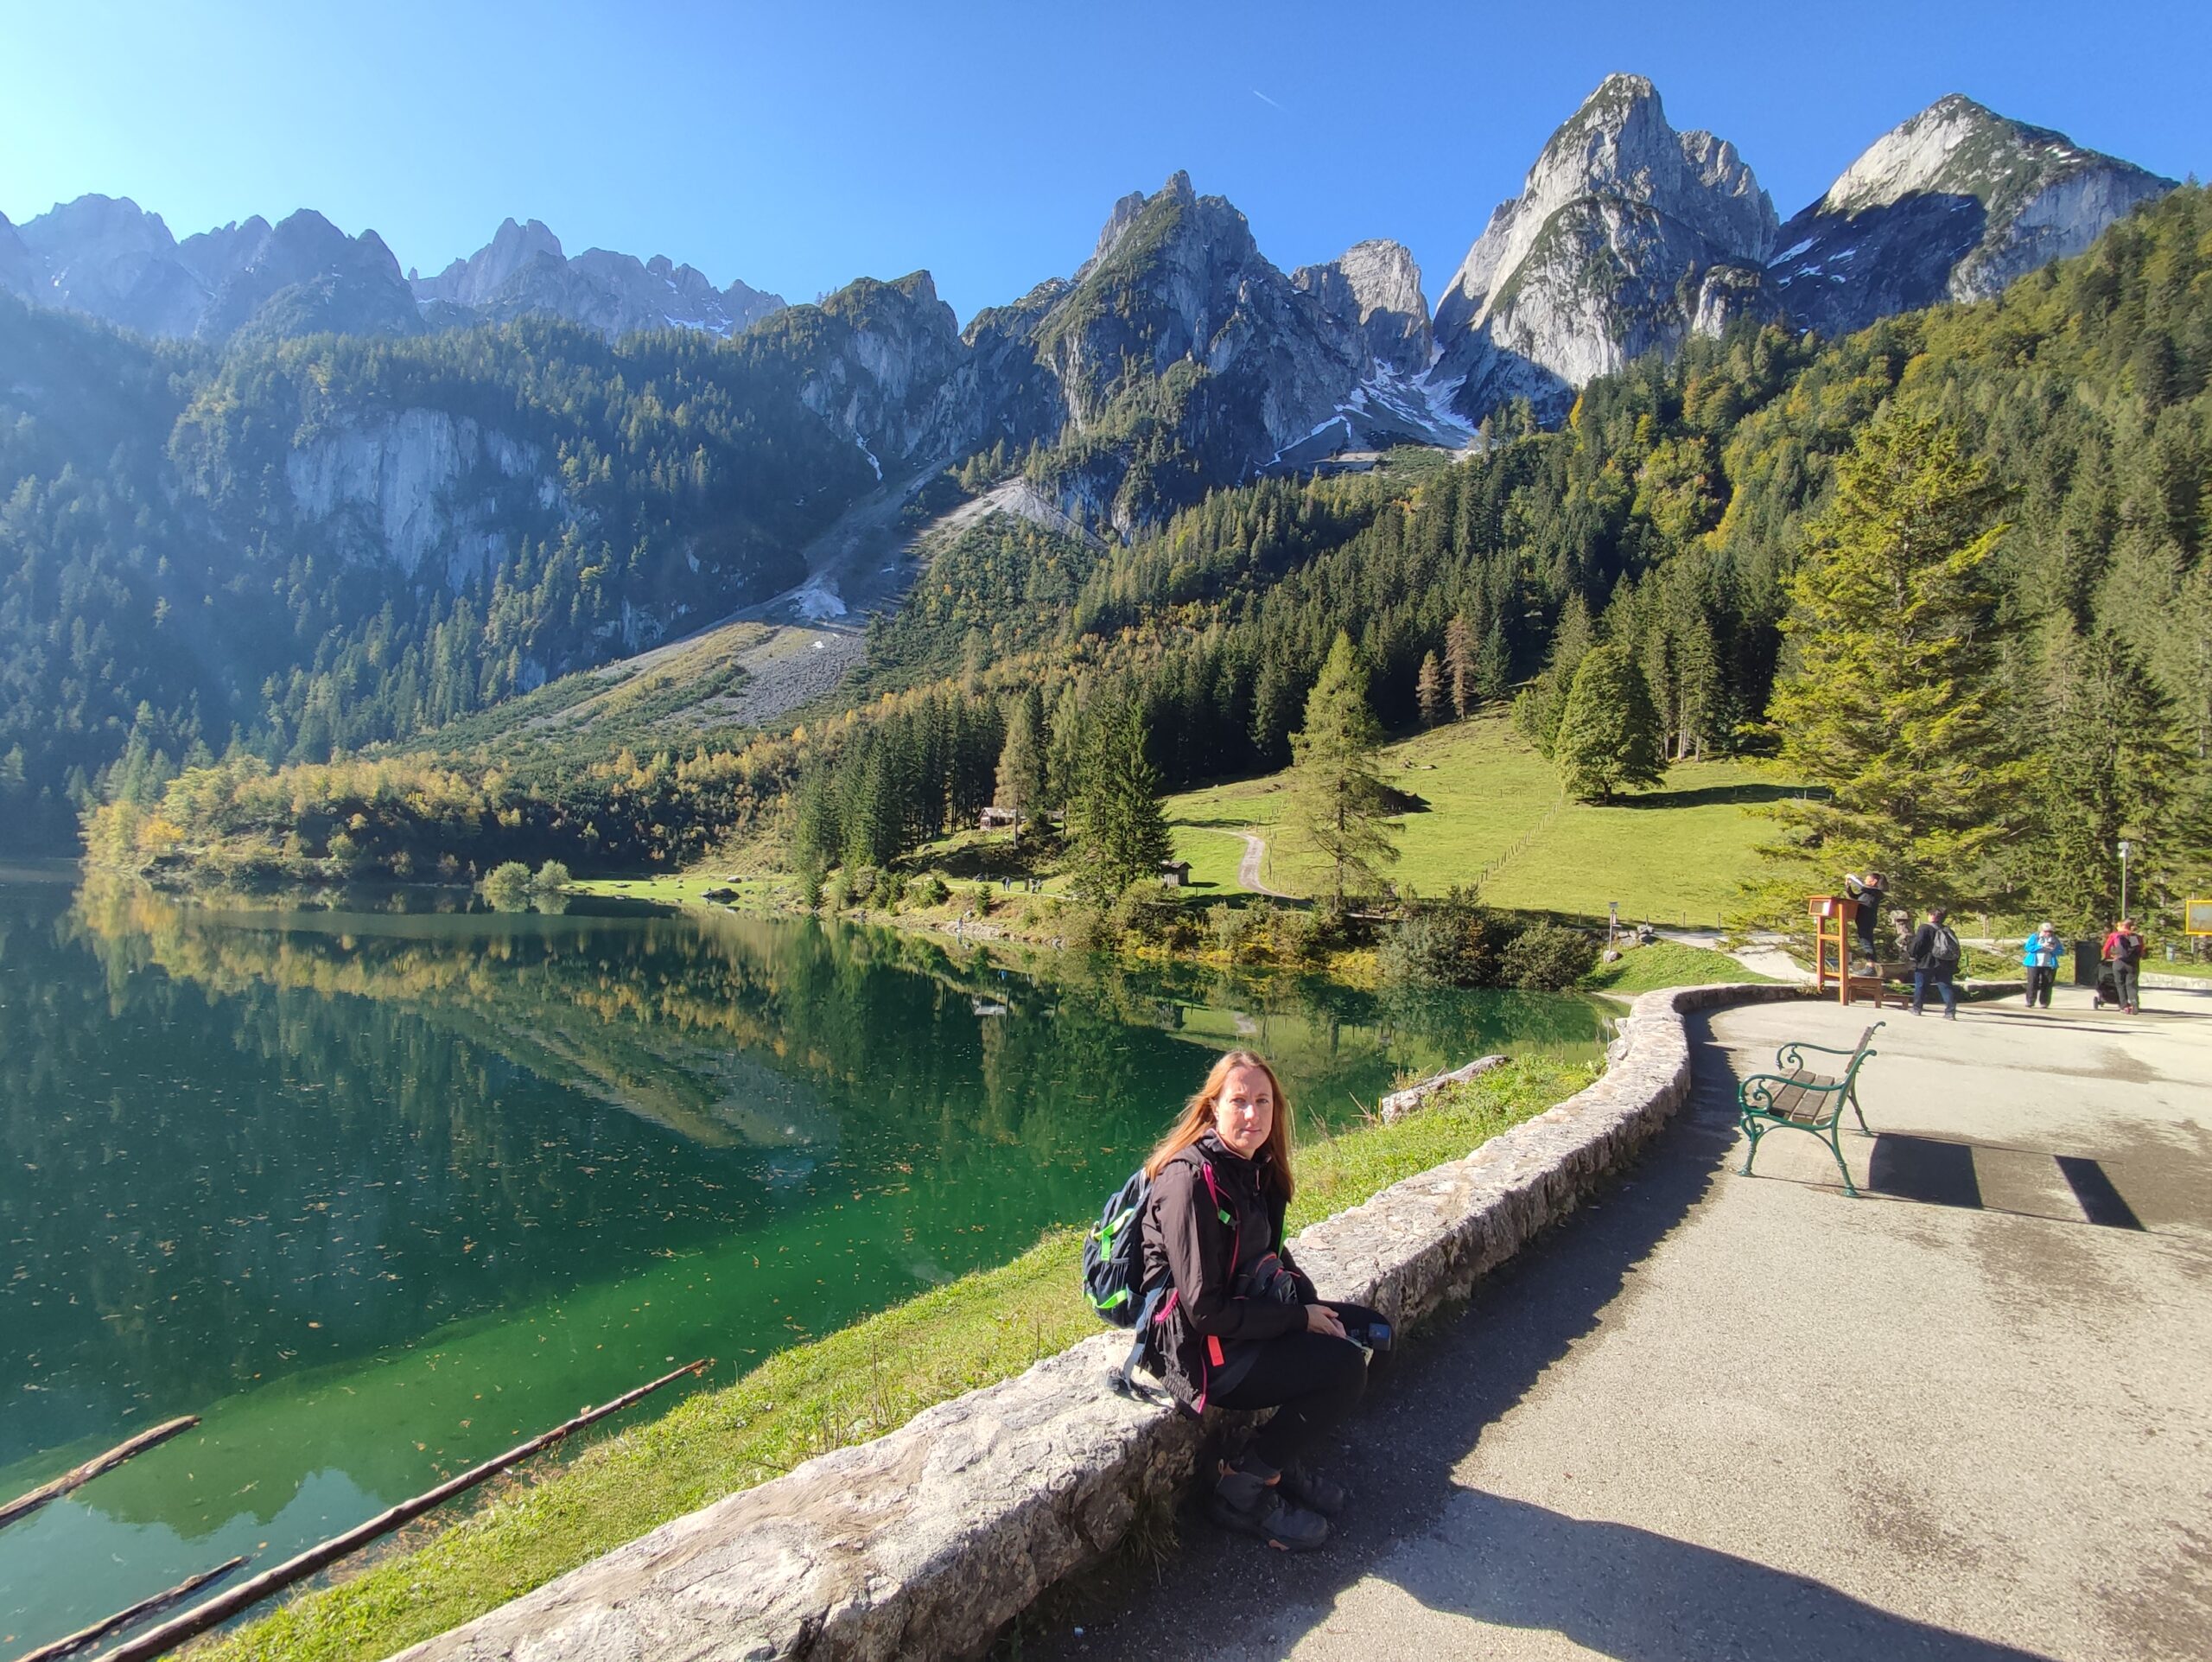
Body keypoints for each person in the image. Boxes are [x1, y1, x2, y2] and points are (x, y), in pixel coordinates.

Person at [1137, 1049, 1387, 1552]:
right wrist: (1298, 1319)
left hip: (1246, 1321)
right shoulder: (1190, 1182)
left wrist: (1313, 1307)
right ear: (1213, 1109)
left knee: (1373, 1332)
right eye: (1239, 1101)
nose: (1252, 1115)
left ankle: (1275, 1460)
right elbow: (1205, 1310)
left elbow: (1270, 1251)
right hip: (1202, 1352)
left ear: (1276, 1108)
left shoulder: (1252, 1168)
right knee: (1343, 1369)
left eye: (1263, 1101)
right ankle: (1241, 1487)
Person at [1908, 906, 1961, 1020]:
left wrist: (1912, 954)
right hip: (1945, 963)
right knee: (1946, 986)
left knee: (1921, 985)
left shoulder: (1925, 928)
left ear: (1932, 915)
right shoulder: (1947, 930)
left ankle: (1917, 1008)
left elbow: (1917, 944)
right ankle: (1950, 1012)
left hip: (1926, 962)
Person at [2103, 917, 2145, 1014]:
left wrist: (2108, 957)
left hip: (2119, 962)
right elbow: (2141, 952)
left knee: (2120, 984)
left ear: (2122, 925)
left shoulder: (2115, 936)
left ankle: (2124, 1006)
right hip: (2132, 964)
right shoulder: (2135, 937)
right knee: (2131, 984)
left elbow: (2106, 949)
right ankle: (2135, 1005)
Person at [1844, 871, 1887, 963]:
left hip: (1867, 919)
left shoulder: (1876, 892)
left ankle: (1871, 965)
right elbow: (1854, 896)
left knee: (1867, 942)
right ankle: (1872, 964)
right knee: (1866, 942)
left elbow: (1862, 887)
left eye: (1867, 880)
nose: (1865, 881)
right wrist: (1848, 886)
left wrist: (1852, 878)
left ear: (1874, 881)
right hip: (1862, 918)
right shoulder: (1867, 892)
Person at [2021, 922, 2062, 1009]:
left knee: (2047, 983)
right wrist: (2040, 946)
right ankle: (2030, 1001)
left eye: (2050, 931)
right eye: (2046, 931)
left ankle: (2044, 1002)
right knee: (2032, 982)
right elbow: (2028, 948)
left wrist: (2053, 950)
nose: (2048, 933)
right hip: (2034, 964)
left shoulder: (2054, 939)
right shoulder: (2035, 937)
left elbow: (2060, 951)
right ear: (2041, 931)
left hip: (2049, 964)